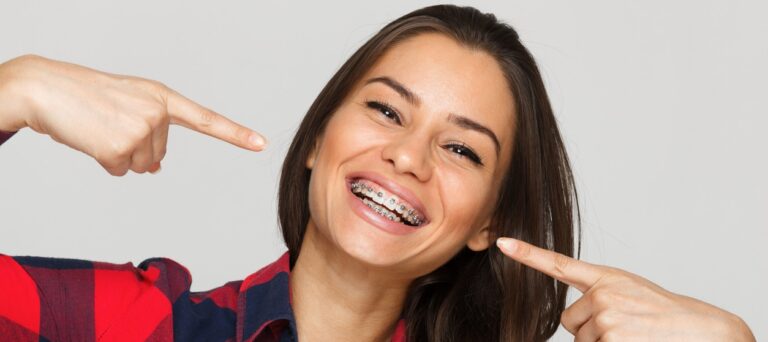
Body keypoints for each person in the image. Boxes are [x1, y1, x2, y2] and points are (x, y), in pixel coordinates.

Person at [0, 5, 756, 342]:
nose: (408, 157)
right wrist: (14, 89)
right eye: (388, 113)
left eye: (462, 150)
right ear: (316, 140)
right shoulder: (149, 327)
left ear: (488, 222)